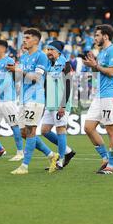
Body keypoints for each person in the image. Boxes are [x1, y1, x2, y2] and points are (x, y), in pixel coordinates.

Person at [7, 28, 59, 175]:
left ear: (36, 40)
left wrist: (18, 71)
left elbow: (36, 77)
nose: (24, 40)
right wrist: (13, 72)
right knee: (24, 132)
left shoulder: (41, 56)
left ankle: (24, 166)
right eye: (24, 38)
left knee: (31, 131)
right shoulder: (23, 57)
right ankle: (51, 155)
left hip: (35, 99)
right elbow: (21, 78)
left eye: (28, 38)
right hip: (23, 98)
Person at [82, 24, 113, 175]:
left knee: (111, 131)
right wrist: (92, 65)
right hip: (100, 95)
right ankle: (105, 158)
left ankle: (111, 165)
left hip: (109, 95)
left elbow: (112, 72)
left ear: (105, 36)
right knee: (88, 127)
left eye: (97, 35)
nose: (95, 38)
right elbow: (98, 71)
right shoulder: (102, 52)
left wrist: (96, 66)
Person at [41, 40, 76, 170]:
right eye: (48, 50)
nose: (49, 52)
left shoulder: (66, 65)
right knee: (44, 130)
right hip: (50, 104)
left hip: (60, 104)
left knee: (60, 129)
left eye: (51, 50)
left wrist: (62, 105)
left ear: (58, 52)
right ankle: (67, 151)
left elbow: (68, 86)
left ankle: (60, 160)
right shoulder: (50, 65)